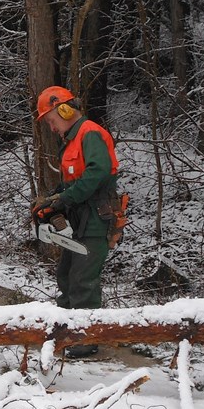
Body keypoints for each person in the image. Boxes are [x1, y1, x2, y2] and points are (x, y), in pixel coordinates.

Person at [32, 85, 122, 357]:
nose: (51, 127)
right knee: (66, 274)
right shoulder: (72, 140)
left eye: (52, 121)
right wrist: (53, 200)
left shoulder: (89, 133)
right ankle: (65, 330)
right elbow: (72, 181)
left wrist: (65, 199)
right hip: (79, 218)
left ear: (64, 110)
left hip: (95, 217)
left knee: (83, 280)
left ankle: (85, 339)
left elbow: (98, 173)